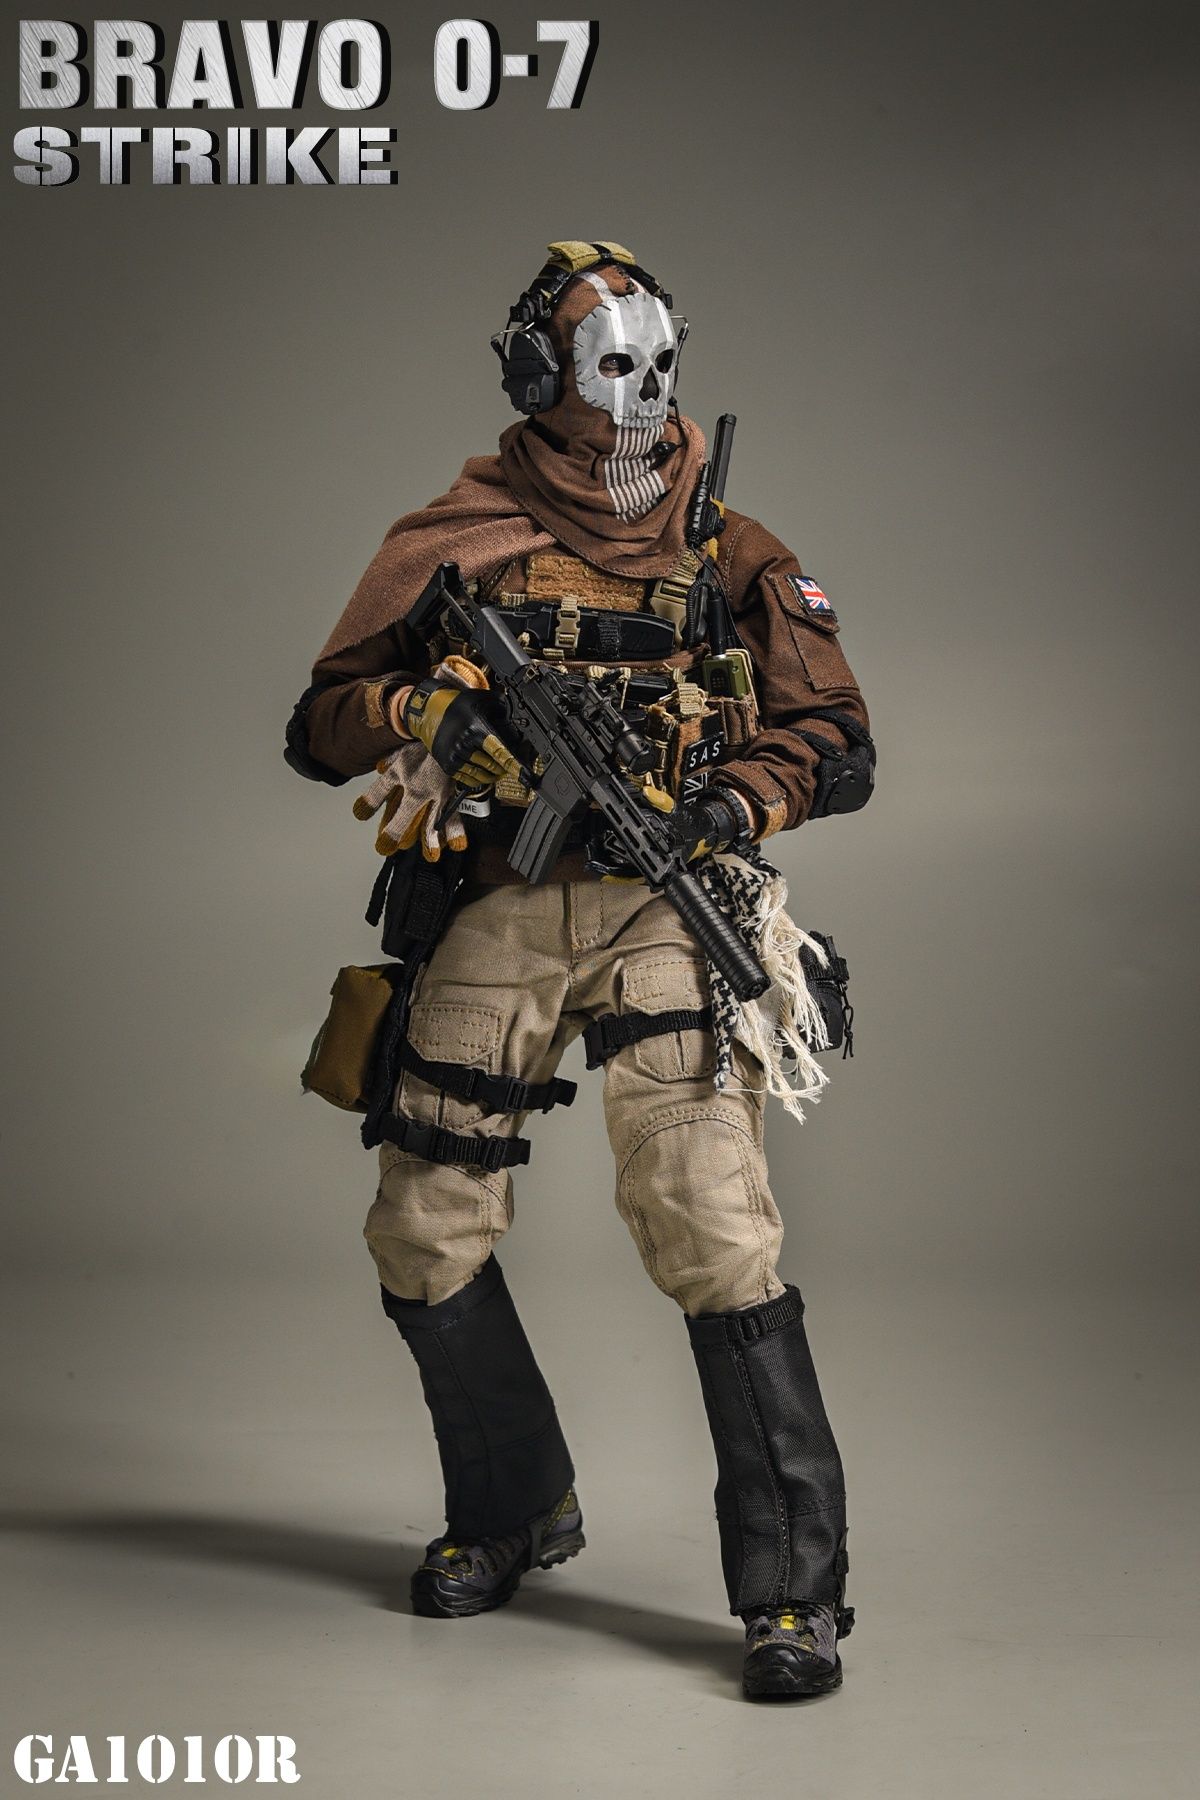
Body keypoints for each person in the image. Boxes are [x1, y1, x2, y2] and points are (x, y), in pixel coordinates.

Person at [285, 240, 875, 1700]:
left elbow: (836, 739)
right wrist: (423, 710)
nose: (640, 394)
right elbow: (321, 722)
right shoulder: (460, 541)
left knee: (710, 1216)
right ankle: (512, 1507)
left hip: (666, 904)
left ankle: (791, 1593)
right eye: (611, 364)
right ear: (538, 374)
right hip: (502, 898)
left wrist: (729, 804)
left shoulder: (731, 551)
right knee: (423, 1221)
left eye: (659, 363)